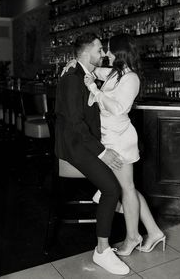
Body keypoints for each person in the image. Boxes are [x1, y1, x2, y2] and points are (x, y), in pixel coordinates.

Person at [64, 33, 165, 256]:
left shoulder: (132, 79)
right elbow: (89, 69)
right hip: (109, 137)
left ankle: (133, 238)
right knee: (127, 187)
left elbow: (118, 108)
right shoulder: (114, 73)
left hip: (120, 139)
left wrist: (95, 90)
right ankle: (154, 231)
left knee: (125, 188)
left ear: (120, 52)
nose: (106, 54)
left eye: (110, 50)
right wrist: (73, 62)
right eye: (104, 49)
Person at [54, 31, 130, 275]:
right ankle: (102, 251)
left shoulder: (83, 74)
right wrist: (102, 152)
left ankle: (107, 205)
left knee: (116, 182)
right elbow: (76, 126)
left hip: (83, 142)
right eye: (99, 50)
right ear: (86, 53)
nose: (103, 54)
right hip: (75, 146)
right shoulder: (72, 79)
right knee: (112, 189)